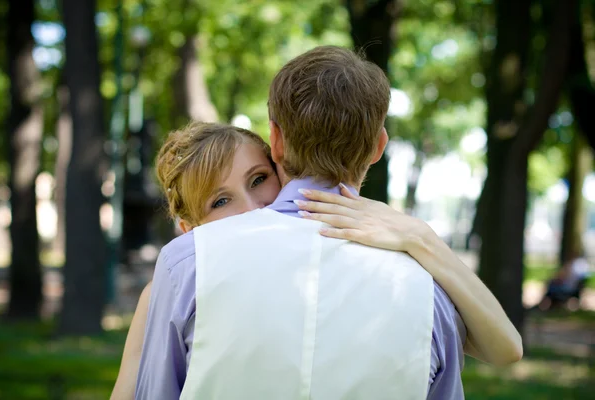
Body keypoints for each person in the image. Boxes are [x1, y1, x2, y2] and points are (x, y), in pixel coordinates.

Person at [126, 46, 521, 400]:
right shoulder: (427, 289)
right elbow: (501, 351)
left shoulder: (187, 266)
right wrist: (422, 239)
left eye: (258, 179)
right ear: (378, 147)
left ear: (275, 141)